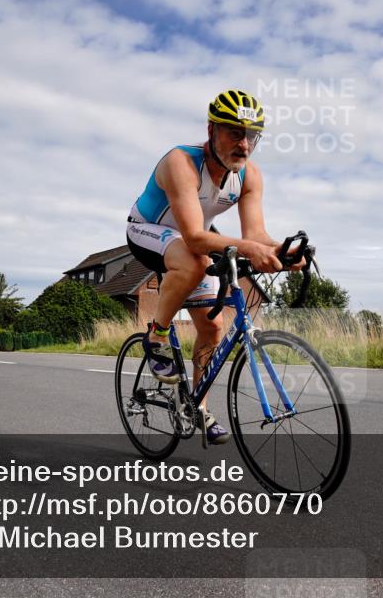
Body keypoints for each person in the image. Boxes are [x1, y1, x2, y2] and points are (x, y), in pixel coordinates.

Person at [126, 89, 302, 444]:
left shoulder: (249, 175)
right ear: (211, 130)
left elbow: (255, 235)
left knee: (212, 327)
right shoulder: (181, 162)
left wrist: (283, 251)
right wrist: (250, 249)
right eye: (235, 133)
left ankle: (198, 408)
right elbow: (194, 237)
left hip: (192, 243)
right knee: (194, 263)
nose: (245, 144)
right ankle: (157, 336)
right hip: (148, 230)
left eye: (252, 135)